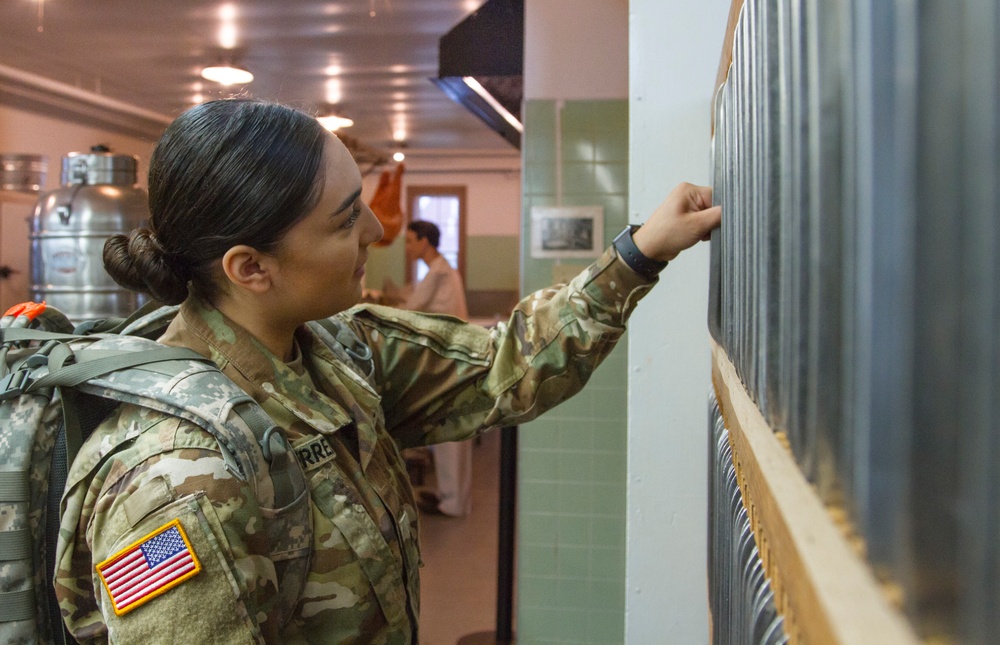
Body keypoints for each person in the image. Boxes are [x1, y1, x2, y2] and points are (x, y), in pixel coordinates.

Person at [54, 98, 720, 644]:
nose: (377, 230)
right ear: (250, 267)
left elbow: (503, 366)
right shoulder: (179, 481)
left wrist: (638, 254)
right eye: (346, 220)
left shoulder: (338, 352)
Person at [402, 220, 473, 517]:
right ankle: (452, 496)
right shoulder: (443, 269)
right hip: (452, 361)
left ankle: (452, 501)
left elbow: (408, 313)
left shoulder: (438, 273)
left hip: (448, 363)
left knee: (449, 435)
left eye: (409, 240)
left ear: (424, 242)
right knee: (452, 434)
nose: (406, 247)